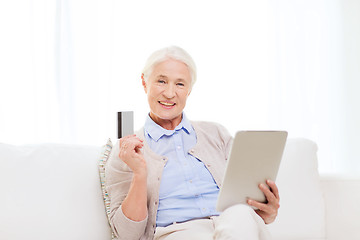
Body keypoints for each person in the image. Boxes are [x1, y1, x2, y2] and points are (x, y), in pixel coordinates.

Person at [105, 46, 280, 240]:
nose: (170, 93)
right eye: (161, 81)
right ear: (145, 83)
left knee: (239, 213)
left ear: (189, 90)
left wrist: (266, 212)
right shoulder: (127, 151)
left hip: (234, 226)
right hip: (180, 233)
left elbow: (247, 202)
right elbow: (128, 235)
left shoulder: (216, 134)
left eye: (180, 84)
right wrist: (139, 173)